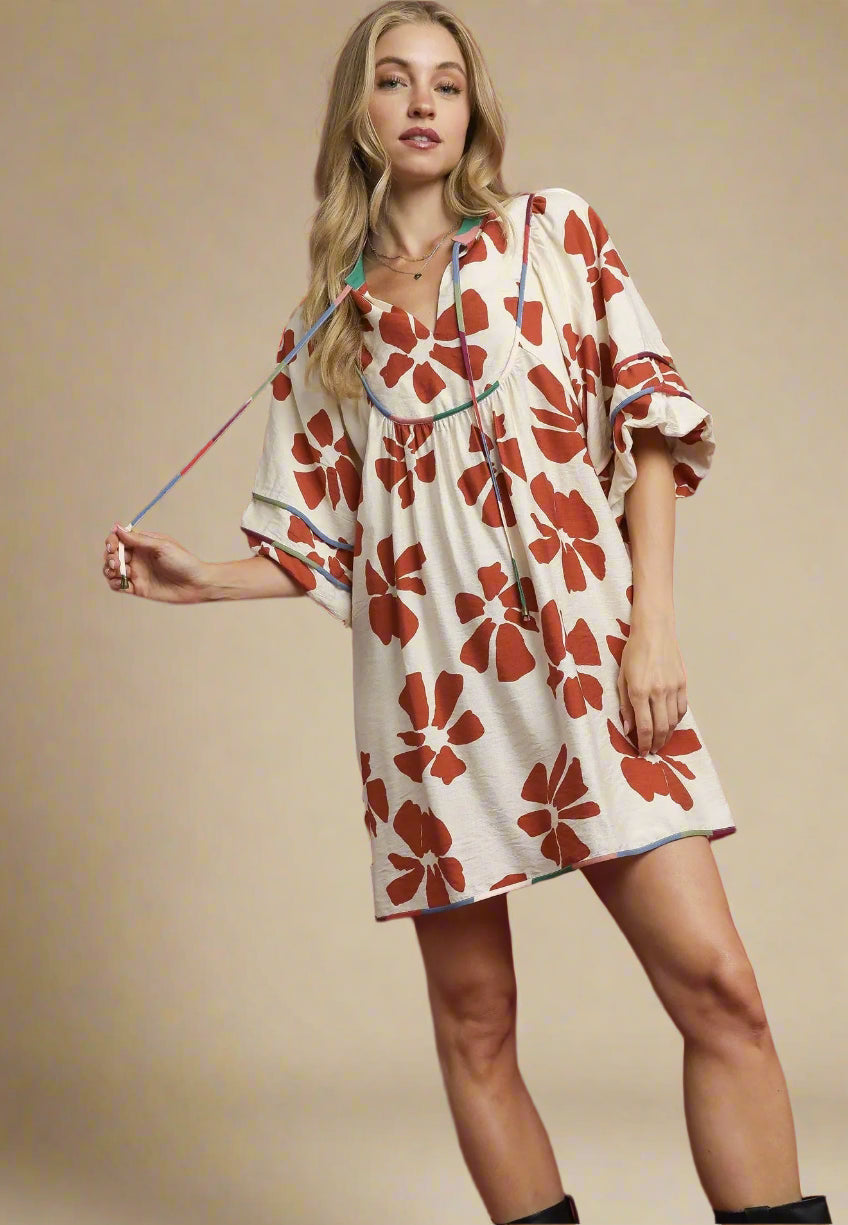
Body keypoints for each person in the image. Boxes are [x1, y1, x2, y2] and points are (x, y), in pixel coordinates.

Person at [101, 4, 832, 1224]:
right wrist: (197, 579)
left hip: (588, 661)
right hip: (430, 703)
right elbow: (313, 544)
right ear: (361, 116)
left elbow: (651, 420)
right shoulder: (324, 328)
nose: (423, 102)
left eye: (446, 80)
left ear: (473, 109)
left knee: (718, 989)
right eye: (394, 81)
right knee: (475, 1025)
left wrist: (653, 620)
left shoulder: (555, 234)